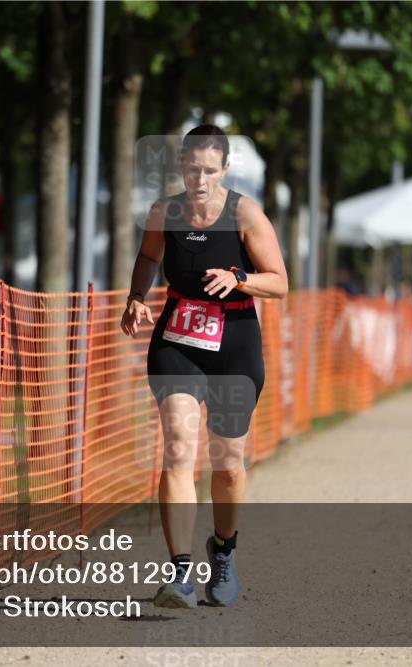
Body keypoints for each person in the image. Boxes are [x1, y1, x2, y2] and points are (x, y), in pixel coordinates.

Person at [119, 125, 288, 608]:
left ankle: (225, 552)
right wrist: (135, 297)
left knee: (229, 463)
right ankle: (180, 576)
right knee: (177, 446)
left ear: (225, 170)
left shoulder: (245, 214)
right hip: (178, 341)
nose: (199, 178)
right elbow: (149, 255)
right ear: (181, 166)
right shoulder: (163, 213)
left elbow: (279, 284)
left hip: (235, 344)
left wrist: (239, 278)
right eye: (192, 168)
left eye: (210, 170)